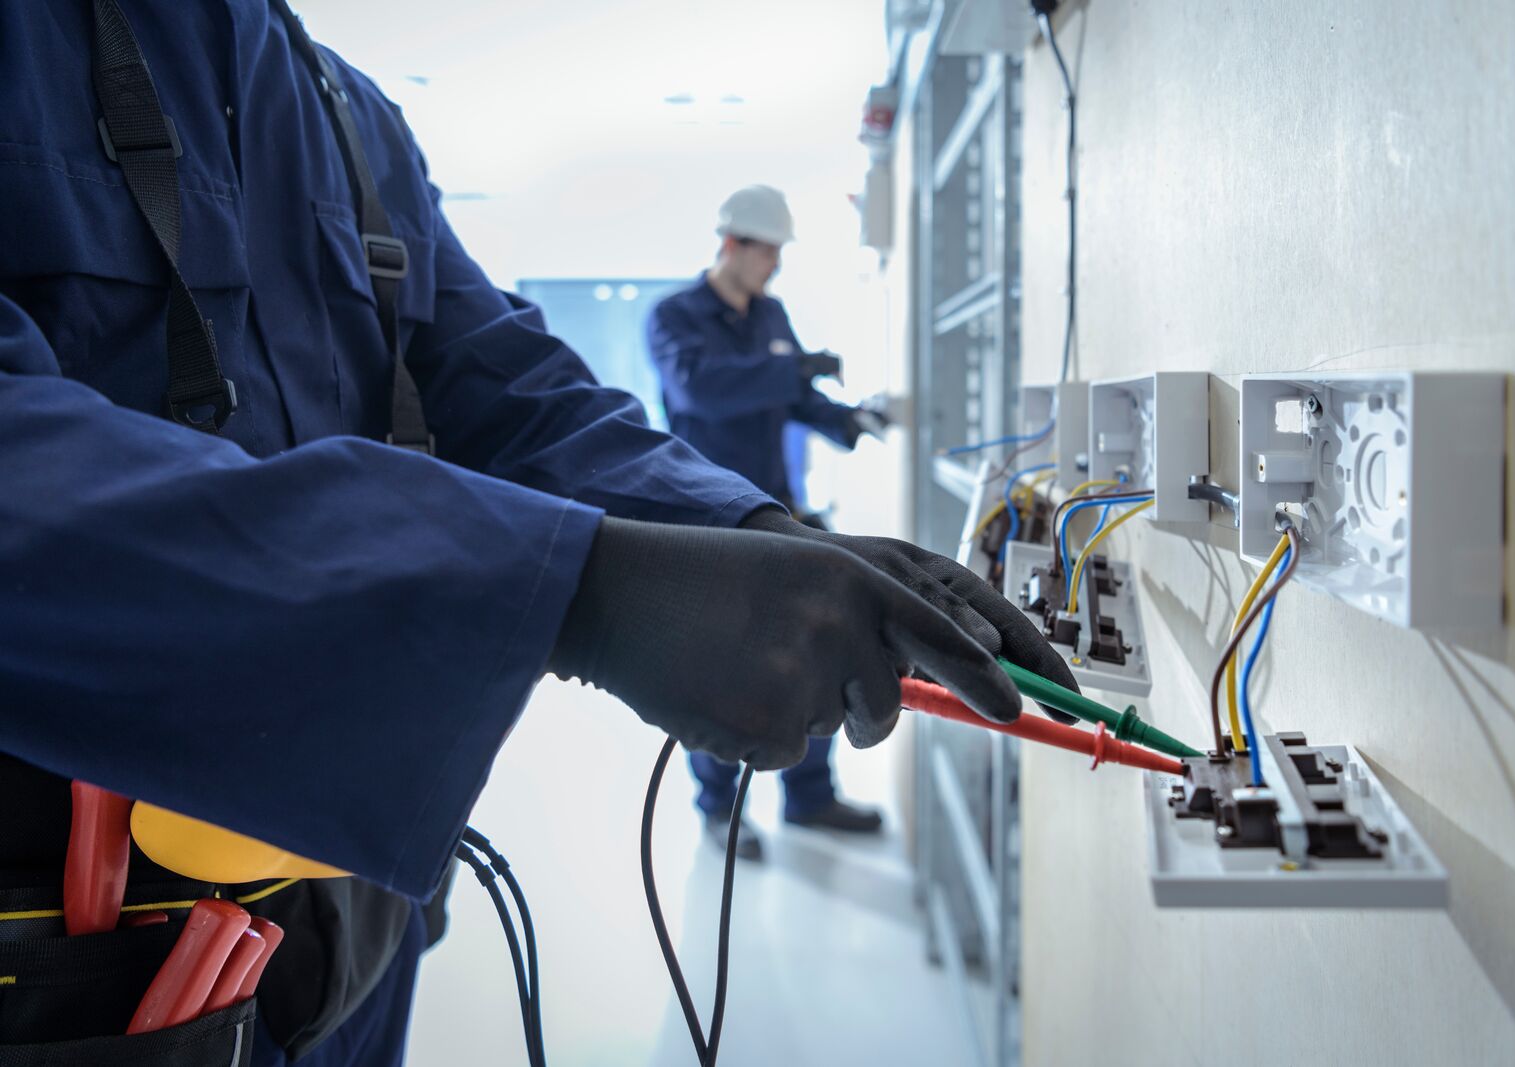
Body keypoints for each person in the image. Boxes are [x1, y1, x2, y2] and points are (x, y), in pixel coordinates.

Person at [0, 4, 1079, 1065]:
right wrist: (576, 592)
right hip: (74, 951)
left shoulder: (342, 114)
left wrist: (762, 532)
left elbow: (506, 389)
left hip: (351, 903)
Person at [646, 186, 901, 859]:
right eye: (769, 253)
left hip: (779, 509)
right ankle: (720, 810)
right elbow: (701, 389)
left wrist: (844, 419)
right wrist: (789, 369)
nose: (776, 268)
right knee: (721, 668)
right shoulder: (674, 318)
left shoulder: (771, 314)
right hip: (708, 522)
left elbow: (792, 394)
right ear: (731, 245)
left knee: (810, 649)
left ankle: (810, 798)